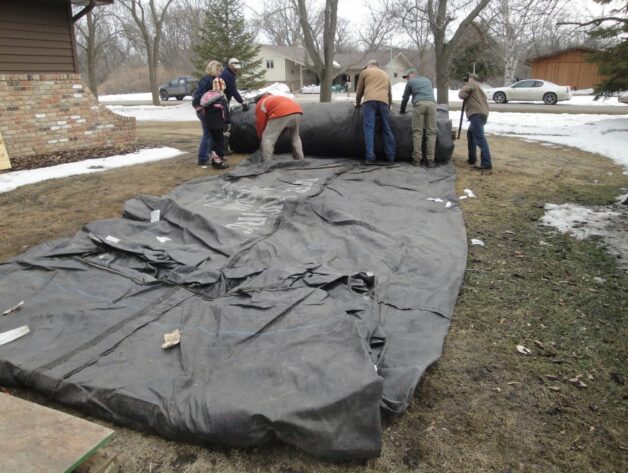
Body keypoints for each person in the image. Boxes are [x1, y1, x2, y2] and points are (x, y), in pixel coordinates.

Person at [355, 59, 396, 164]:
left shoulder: (365, 72)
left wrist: (358, 103)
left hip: (369, 101)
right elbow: (389, 91)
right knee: (386, 129)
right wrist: (389, 104)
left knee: (369, 129)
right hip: (384, 102)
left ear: (370, 65)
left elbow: (359, 90)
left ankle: (370, 157)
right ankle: (391, 157)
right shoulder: (385, 74)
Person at [192, 60, 228, 169]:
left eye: (220, 71)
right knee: (208, 135)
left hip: (210, 112)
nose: (220, 73)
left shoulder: (214, 80)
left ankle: (214, 156)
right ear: (213, 69)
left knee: (213, 136)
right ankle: (202, 158)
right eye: (218, 70)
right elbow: (197, 95)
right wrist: (198, 107)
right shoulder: (207, 80)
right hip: (203, 110)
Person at [399, 68, 437, 168]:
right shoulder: (428, 81)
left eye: (407, 77)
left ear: (412, 75)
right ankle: (430, 160)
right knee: (431, 132)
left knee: (417, 132)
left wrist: (402, 111)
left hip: (419, 105)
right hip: (432, 105)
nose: (407, 79)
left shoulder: (411, 82)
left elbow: (405, 98)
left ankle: (416, 160)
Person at [255, 93, 304, 162]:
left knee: (267, 138)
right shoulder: (275, 98)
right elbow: (282, 123)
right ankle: (300, 159)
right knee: (295, 137)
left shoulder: (260, 103)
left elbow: (260, 122)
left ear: (257, 100)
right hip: (297, 111)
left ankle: (267, 162)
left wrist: (261, 137)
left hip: (281, 112)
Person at [458, 73, 492, 171]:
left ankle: (486, 164)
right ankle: (472, 159)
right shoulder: (479, 89)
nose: (466, 81)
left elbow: (461, 95)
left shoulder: (471, 84)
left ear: (471, 79)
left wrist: (465, 87)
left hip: (476, 115)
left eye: (467, 79)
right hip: (482, 114)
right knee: (471, 134)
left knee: (480, 139)